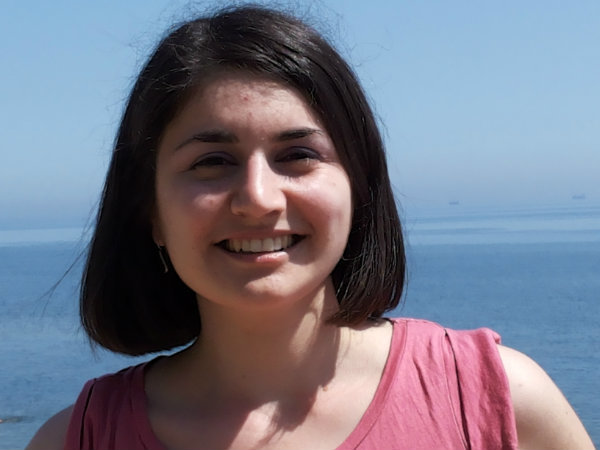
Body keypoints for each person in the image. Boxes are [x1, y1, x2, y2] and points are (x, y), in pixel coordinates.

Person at [27, 5, 594, 450]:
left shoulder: (496, 404)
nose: (257, 198)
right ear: (149, 210)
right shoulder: (78, 439)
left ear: (358, 187)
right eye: (212, 162)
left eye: (298, 155)